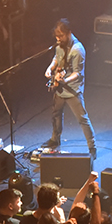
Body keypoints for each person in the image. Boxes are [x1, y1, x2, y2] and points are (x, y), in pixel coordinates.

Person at [43, 19, 97, 161]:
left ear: (68, 33)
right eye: (56, 36)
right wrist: (50, 68)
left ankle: (92, 148)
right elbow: (56, 58)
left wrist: (65, 81)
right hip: (59, 88)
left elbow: (77, 73)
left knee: (82, 119)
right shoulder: (60, 45)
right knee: (56, 114)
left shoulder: (77, 50)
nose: (58, 39)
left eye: (60, 36)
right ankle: (55, 139)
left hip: (73, 90)